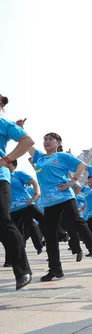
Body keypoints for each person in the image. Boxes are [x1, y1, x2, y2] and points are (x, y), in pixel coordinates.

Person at [24, 128, 92, 281]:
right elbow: (27, 144)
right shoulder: (39, 158)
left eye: (51, 139)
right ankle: (55, 269)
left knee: (77, 222)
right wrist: (21, 130)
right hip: (49, 202)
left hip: (65, 197)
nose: (47, 141)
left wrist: (72, 182)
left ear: (58, 143)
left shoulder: (61, 156)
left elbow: (81, 165)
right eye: (45, 139)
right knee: (50, 235)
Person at [0, 95, 34, 290]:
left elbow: (27, 140)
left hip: (0, 179)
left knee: (4, 221)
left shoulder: (3, 124)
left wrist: (7, 159)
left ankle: (22, 271)